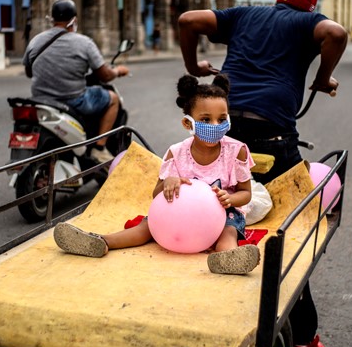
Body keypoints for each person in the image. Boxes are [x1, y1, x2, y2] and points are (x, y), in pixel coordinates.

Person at [177, 0, 347, 347]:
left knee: (210, 211)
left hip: (220, 136)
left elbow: (187, 20)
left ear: (277, 2)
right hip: (274, 138)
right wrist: (324, 77)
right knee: (287, 239)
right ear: (309, 9)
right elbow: (336, 34)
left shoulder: (245, 15)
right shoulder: (308, 24)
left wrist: (192, 67)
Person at [53, 73, 261, 275]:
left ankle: (229, 258)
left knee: (227, 231)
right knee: (147, 226)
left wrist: (229, 198)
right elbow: (156, 195)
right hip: (178, 214)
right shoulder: (176, 152)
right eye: (205, 120)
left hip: (224, 213)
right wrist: (168, 183)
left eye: (221, 119)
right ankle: (100, 241)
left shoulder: (236, 150)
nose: (215, 126)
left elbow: (245, 193)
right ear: (188, 123)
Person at [23, 0, 129, 162]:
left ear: (52, 19)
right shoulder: (84, 43)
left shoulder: (36, 41)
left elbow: (29, 72)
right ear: (74, 20)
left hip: (40, 100)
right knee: (113, 99)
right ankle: (99, 148)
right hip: (73, 100)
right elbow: (105, 75)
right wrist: (118, 71)